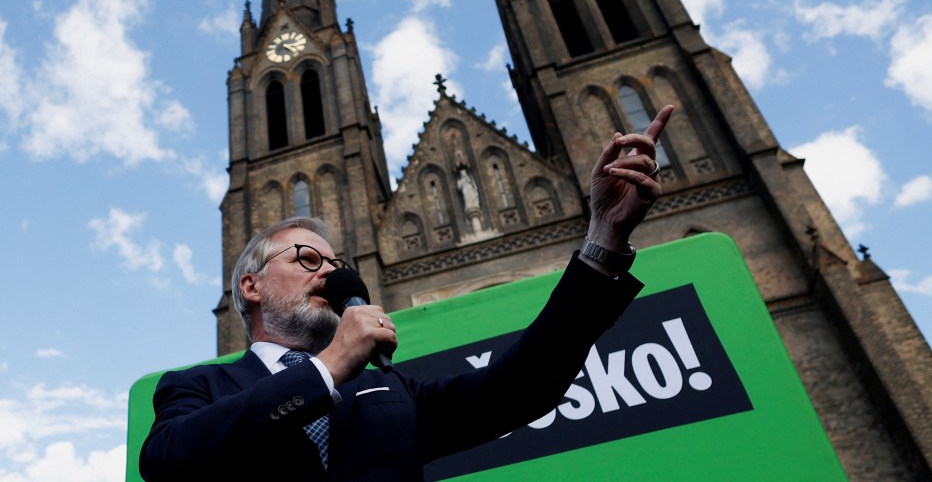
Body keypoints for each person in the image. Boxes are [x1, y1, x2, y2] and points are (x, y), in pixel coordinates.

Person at [140, 106, 673, 481]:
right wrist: (327, 368)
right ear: (250, 286)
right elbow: (169, 460)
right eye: (307, 259)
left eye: (336, 263)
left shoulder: (392, 393)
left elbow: (522, 385)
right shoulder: (197, 387)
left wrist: (602, 238)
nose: (329, 273)